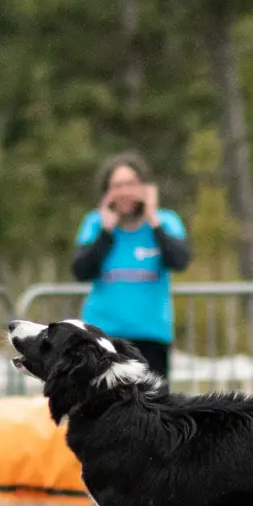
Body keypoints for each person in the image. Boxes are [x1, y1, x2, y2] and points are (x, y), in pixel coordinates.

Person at [70, 153, 191, 382]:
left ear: (145, 188)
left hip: (150, 337)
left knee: (151, 412)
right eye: (117, 186)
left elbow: (179, 260)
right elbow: (81, 271)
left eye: (130, 184)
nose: (124, 192)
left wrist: (153, 221)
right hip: (103, 336)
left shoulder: (166, 222)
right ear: (107, 193)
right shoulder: (95, 223)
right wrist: (106, 233)